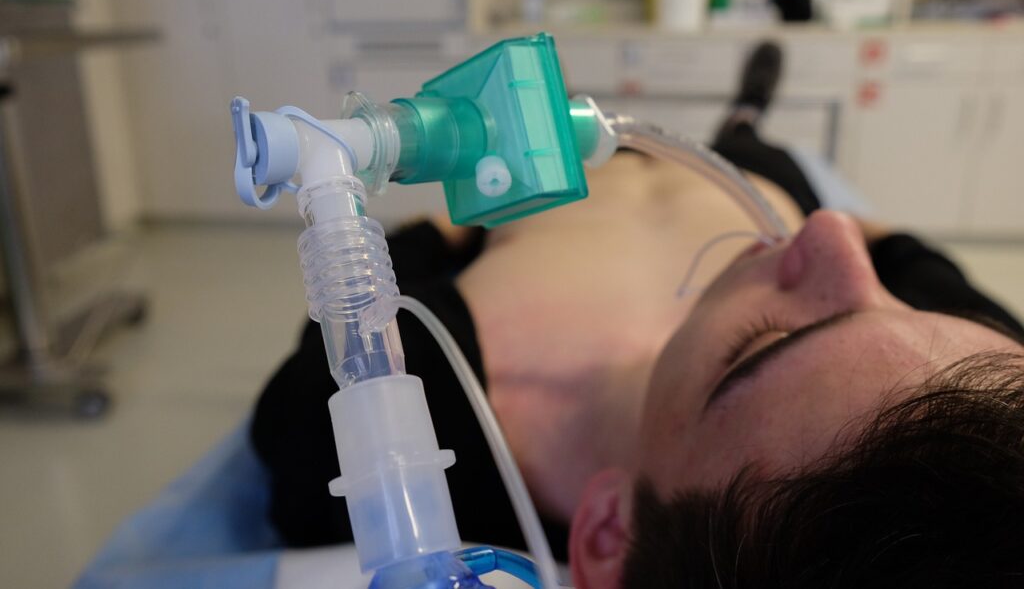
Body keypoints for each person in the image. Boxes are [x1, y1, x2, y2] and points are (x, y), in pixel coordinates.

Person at [251, 43, 1024, 587]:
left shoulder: (440, 410)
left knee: (568, 123)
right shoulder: (982, 404)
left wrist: (463, 223)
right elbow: (923, 269)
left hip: (541, 191)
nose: (829, 241)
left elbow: (369, 292)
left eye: (765, 345)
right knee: (751, 147)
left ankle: (743, 111)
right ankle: (747, 118)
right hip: (749, 183)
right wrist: (858, 221)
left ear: (610, 535)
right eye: (898, 308)